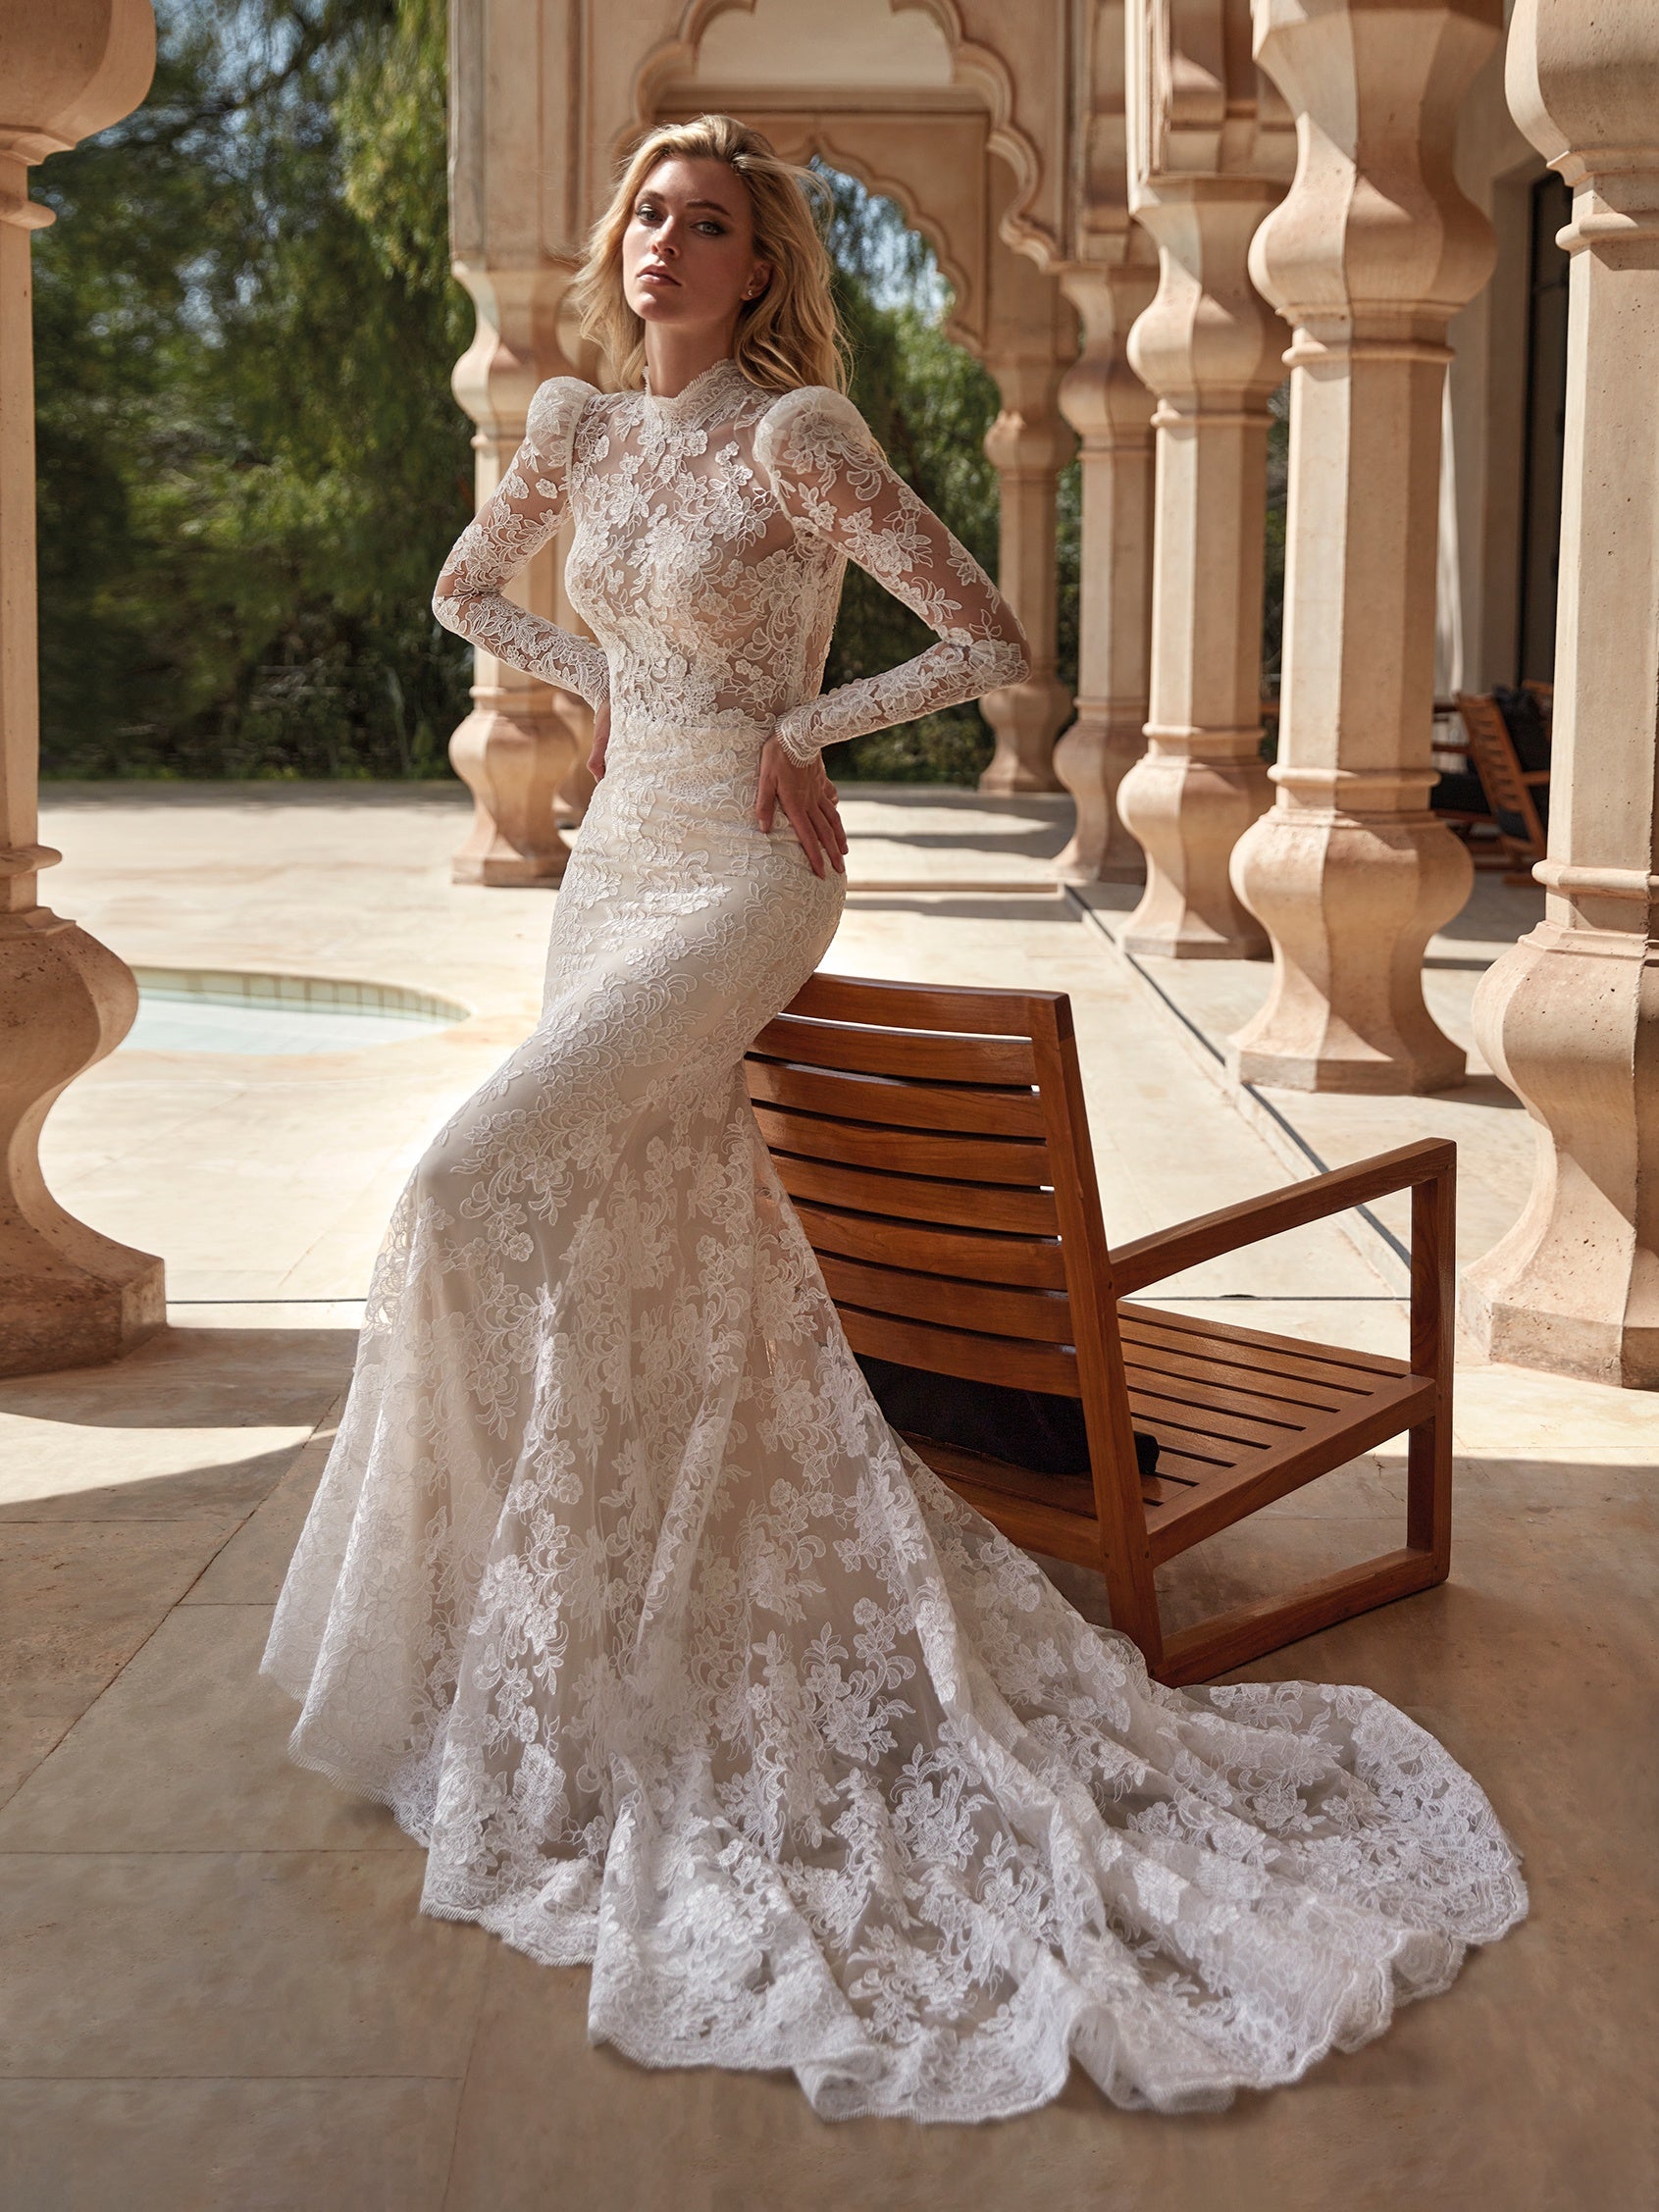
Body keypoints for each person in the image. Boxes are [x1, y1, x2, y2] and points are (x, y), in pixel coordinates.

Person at [263, 114, 1525, 2123]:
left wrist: (791, 730)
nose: (670, 245)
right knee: (617, 1228)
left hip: (748, 876)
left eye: (713, 228)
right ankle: (595, 1643)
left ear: (766, 271)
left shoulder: (797, 437)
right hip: (616, 863)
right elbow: (465, 595)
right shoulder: (581, 422)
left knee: (456, 1182)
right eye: (653, 216)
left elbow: (985, 642)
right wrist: (618, 702)